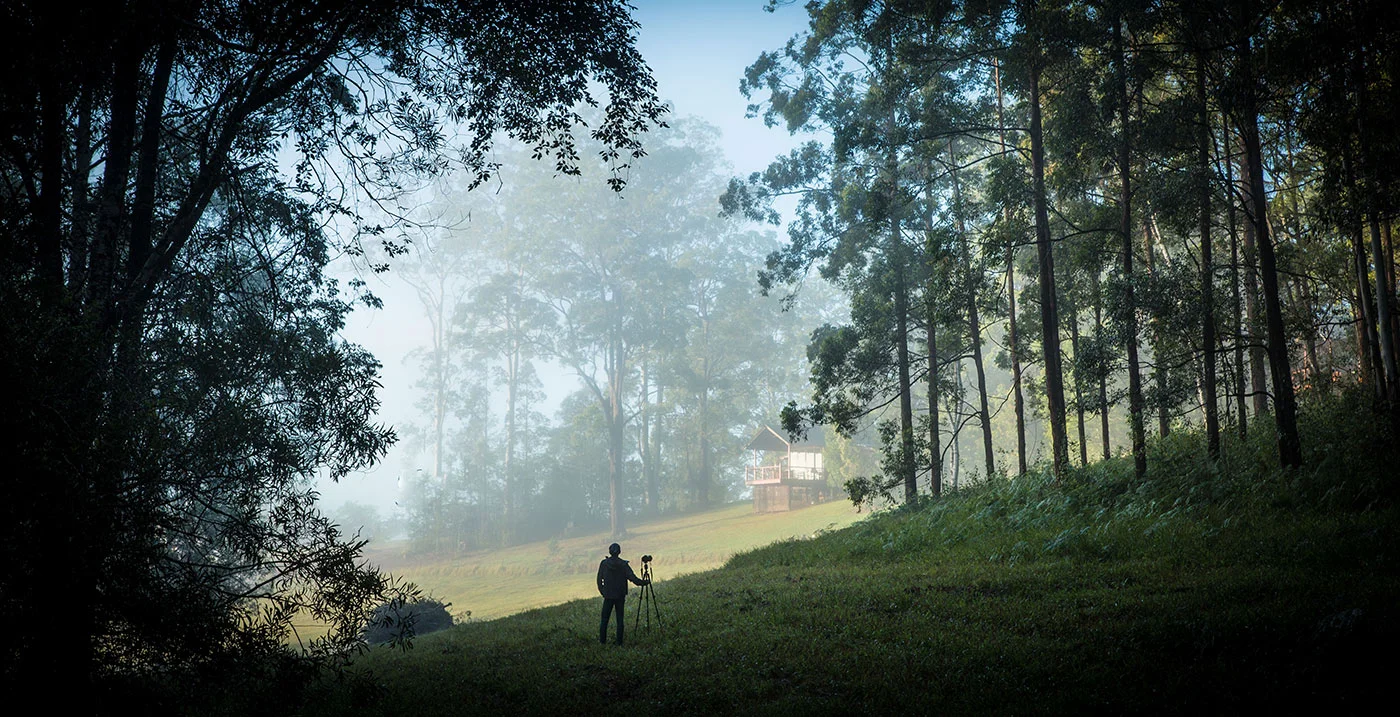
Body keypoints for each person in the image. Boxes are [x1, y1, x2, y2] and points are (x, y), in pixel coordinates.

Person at [596, 542, 648, 645]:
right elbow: (633, 578)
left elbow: (599, 580)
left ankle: (602, 642)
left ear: (609, 551)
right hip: (620, 595)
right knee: (620, 619)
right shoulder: (623, 565)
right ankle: (619, 642)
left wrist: (603, 592)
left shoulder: (604, 564)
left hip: (608, 596)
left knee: (604, 619)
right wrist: (644, 583)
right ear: (619, 552)